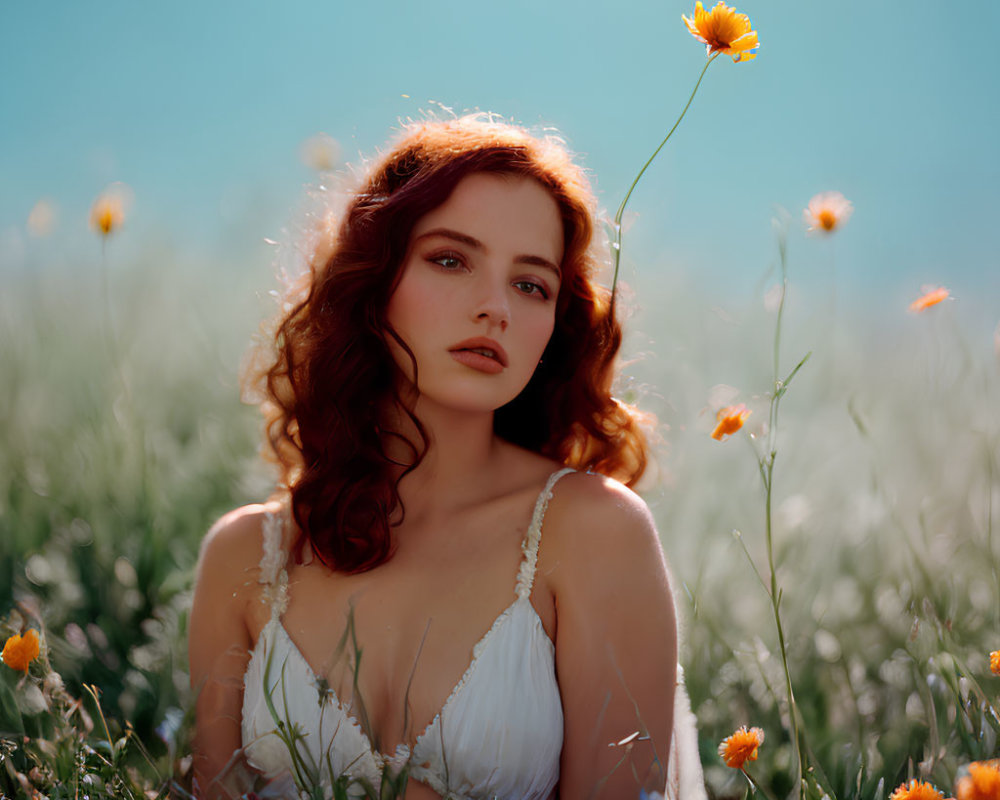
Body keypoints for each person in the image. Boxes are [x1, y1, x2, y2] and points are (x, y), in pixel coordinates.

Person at [188, 115, 704, 800]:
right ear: (374, 282)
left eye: (531, 285)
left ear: (555, 326)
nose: (495, 308)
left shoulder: (593, 533)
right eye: (451, 260)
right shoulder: (248, 556)